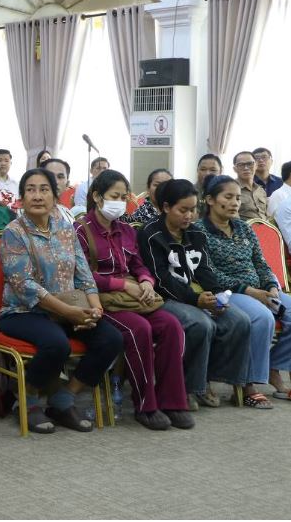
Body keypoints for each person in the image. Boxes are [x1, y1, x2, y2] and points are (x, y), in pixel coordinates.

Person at [0, 168, 123, 433]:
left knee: (111, 339)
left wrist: (95, 308)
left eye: (44, 190)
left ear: (55, 197)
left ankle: (64, 399)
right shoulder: (14, 232)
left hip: (67, 310)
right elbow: (25, 286)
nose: (37, 196)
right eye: (30, 190)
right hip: (22, 312)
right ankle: (28, 400)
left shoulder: (65, 229)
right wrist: (68, 312)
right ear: (21, 198)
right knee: (56, 344)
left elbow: (83, 273)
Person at [75, 170, 192, 430]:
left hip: (133, 297)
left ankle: (173, 401)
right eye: (113, 196)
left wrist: (146, 282)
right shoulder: (81, 230)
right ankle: (145, 406)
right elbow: (81, 274)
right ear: (97, 197)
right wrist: (123, 285)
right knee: (139, 329)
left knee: (172, 326)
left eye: (123, 197)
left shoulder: (127, 230)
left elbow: (138, 264)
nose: (119, 201)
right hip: (101, 300)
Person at [138, 179, 251, 410]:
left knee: (238, 320)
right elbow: (161, 279)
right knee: (201, 324)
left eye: (193, 210)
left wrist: (218, 295)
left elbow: (204, 269)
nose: (189, 216)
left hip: (192, 296)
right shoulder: (151, 234)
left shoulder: (196, 233)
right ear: (166, 207)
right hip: (163, 298)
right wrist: (195, 300)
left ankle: (206, 379)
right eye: (183, 210)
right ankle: (188, 387)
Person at [196, 174, 291, 408]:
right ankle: (248, 384)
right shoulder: (198, 232)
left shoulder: (243, 228)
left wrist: (270, 286)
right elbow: (208, 273)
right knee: (262, 318)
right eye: (228, 197)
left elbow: (261, 263)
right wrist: (250, 291)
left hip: (260, 289)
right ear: (210, 200)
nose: (235, 203)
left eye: (238, 198)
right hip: (229, 292)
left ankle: (273, 366)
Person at [233, 151, 268, 221]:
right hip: (244, 227)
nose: (246, 168)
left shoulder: (261, 190)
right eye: (241, 165)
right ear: (235, 169)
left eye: (250, 164)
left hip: (265, 227)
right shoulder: (230, 189)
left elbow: (265, 215)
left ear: (256, 166)